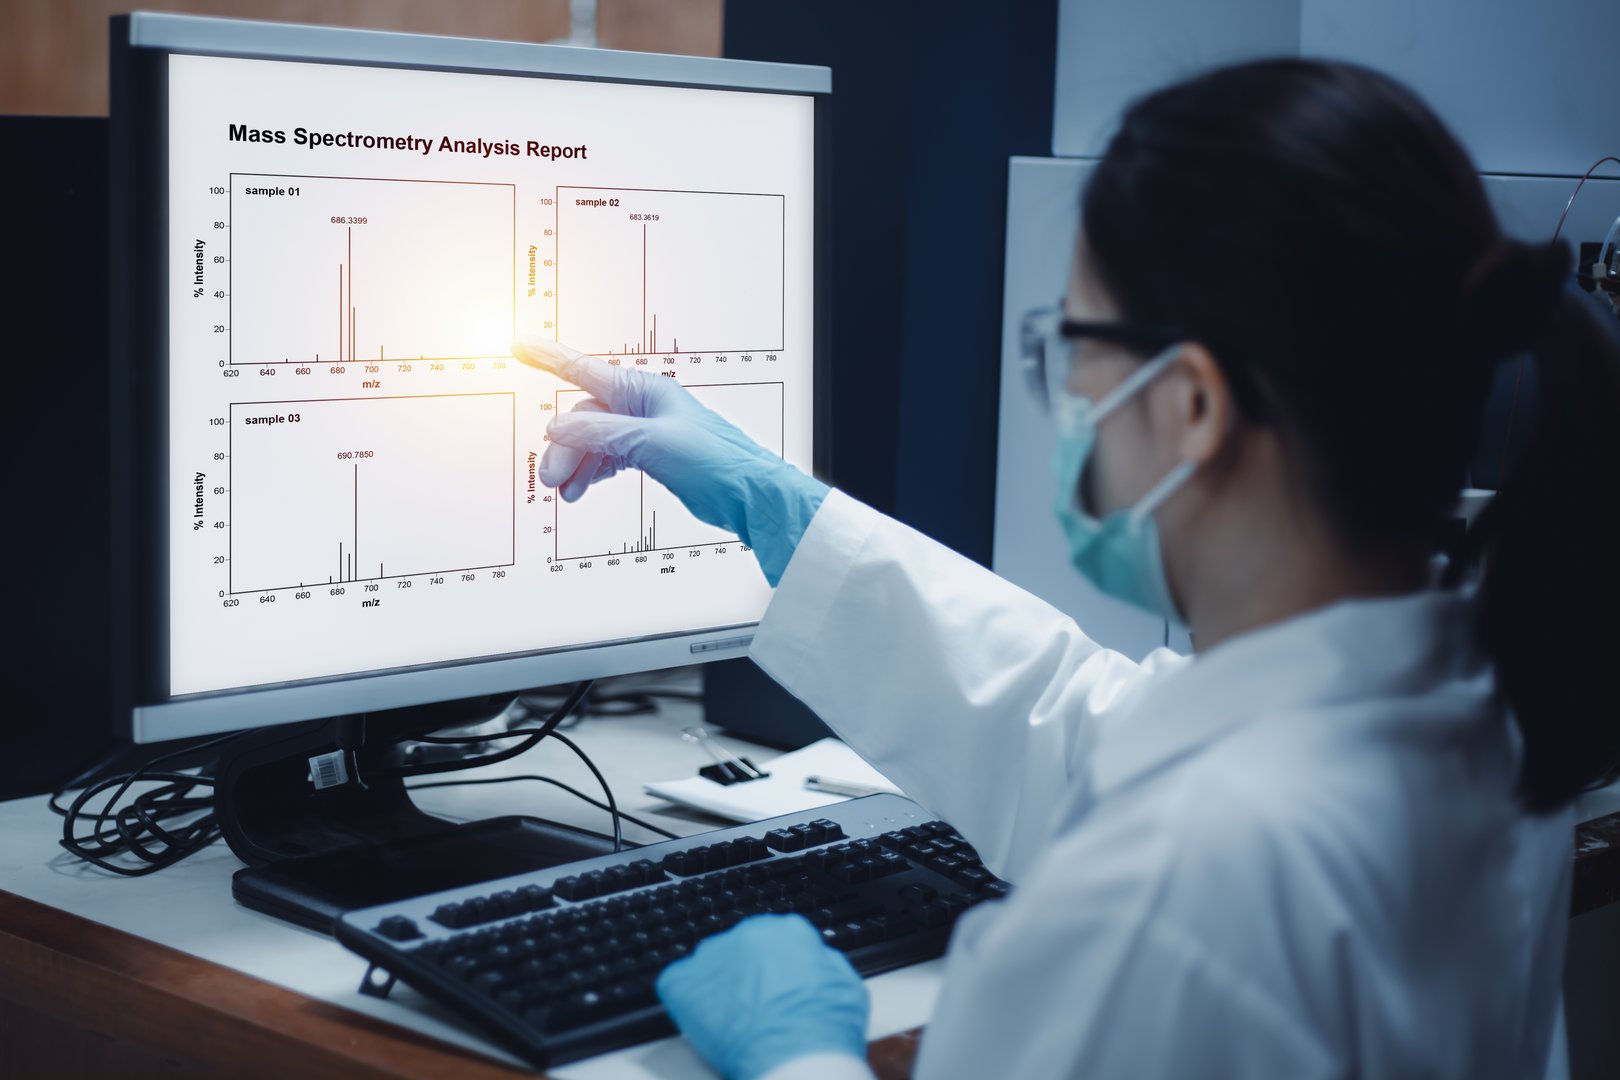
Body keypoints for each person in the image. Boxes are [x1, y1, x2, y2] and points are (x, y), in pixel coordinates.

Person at [515, 59, 1620, 1080]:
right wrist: (780, 507)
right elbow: (1084, 733)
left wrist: (800, 1059)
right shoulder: (1467, 710)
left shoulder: (1176, 887)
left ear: (1190, 405)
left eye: (1073, 344)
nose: (1065, 394)